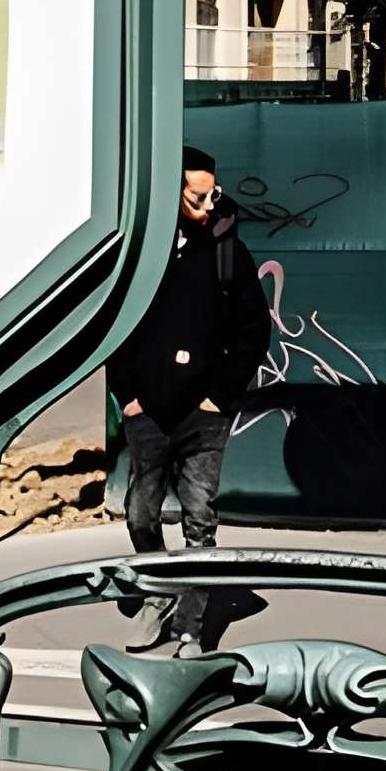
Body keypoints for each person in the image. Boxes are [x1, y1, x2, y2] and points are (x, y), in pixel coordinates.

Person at [107, 145, 270, 652]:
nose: (206, 206)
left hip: (204, 416)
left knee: (200, 524)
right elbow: (115, 324)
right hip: (147, 413)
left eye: (211, 196)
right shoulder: (141, 253)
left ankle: (191, 630)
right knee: (140, 513)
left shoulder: (227, 252)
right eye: (196, 198)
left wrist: (219, 397)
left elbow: (253, 331)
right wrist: (128, 395)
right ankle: (161, 592)